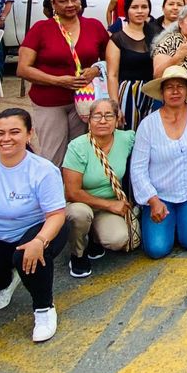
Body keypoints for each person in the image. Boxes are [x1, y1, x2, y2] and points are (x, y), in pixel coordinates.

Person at [0, 108, 67, 343]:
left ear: (29, 135)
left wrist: (40, 240)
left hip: (39, 230)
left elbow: (57, 214)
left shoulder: (42, 170)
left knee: (27, 256)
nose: (6, 138)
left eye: (15, 132)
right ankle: (6, 279)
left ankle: (44, 308)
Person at [17, 0, 110, 165]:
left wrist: (96, 69)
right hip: (49, 102)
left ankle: (73, 192)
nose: (70, 5)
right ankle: (52, 192)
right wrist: (58, 81)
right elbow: (23, 68)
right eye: (63, 1)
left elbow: (110, 60)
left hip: (85, 101)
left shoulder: (94, 26)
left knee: (79, 153)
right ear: (53, 4)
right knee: (54, 155)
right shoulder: (41, 29)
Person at [129, 67, 187, 258]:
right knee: (157, 249)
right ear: (161, 93)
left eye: (180, 87)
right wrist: (152, 200)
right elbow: (138, 168)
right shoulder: (148, 124)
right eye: (169, 87)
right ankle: (166, 222)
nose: (175, 92)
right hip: (160, 196)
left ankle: (181, 223)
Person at [61, 99, 136, 278]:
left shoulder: (126, 138)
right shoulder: (77, 146)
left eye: (109, 115)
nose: (103, 121)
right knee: (80, 214)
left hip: (109, 204)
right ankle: (77, 253)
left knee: (119, 239)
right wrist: (110, 205)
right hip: (82, 202)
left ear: (118, 118)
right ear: (89, 120)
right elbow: (71, 192)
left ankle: (95, 237)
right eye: (97, 116)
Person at [105, 0, 155, 128]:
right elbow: (112, 75)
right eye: (134, 7)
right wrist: (115, 106)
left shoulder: (156, 34)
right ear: (127, 10)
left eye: (144, 7)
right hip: (128, 93)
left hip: (154, 91)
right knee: (128, 134)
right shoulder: (117, 38)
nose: (140, 11)